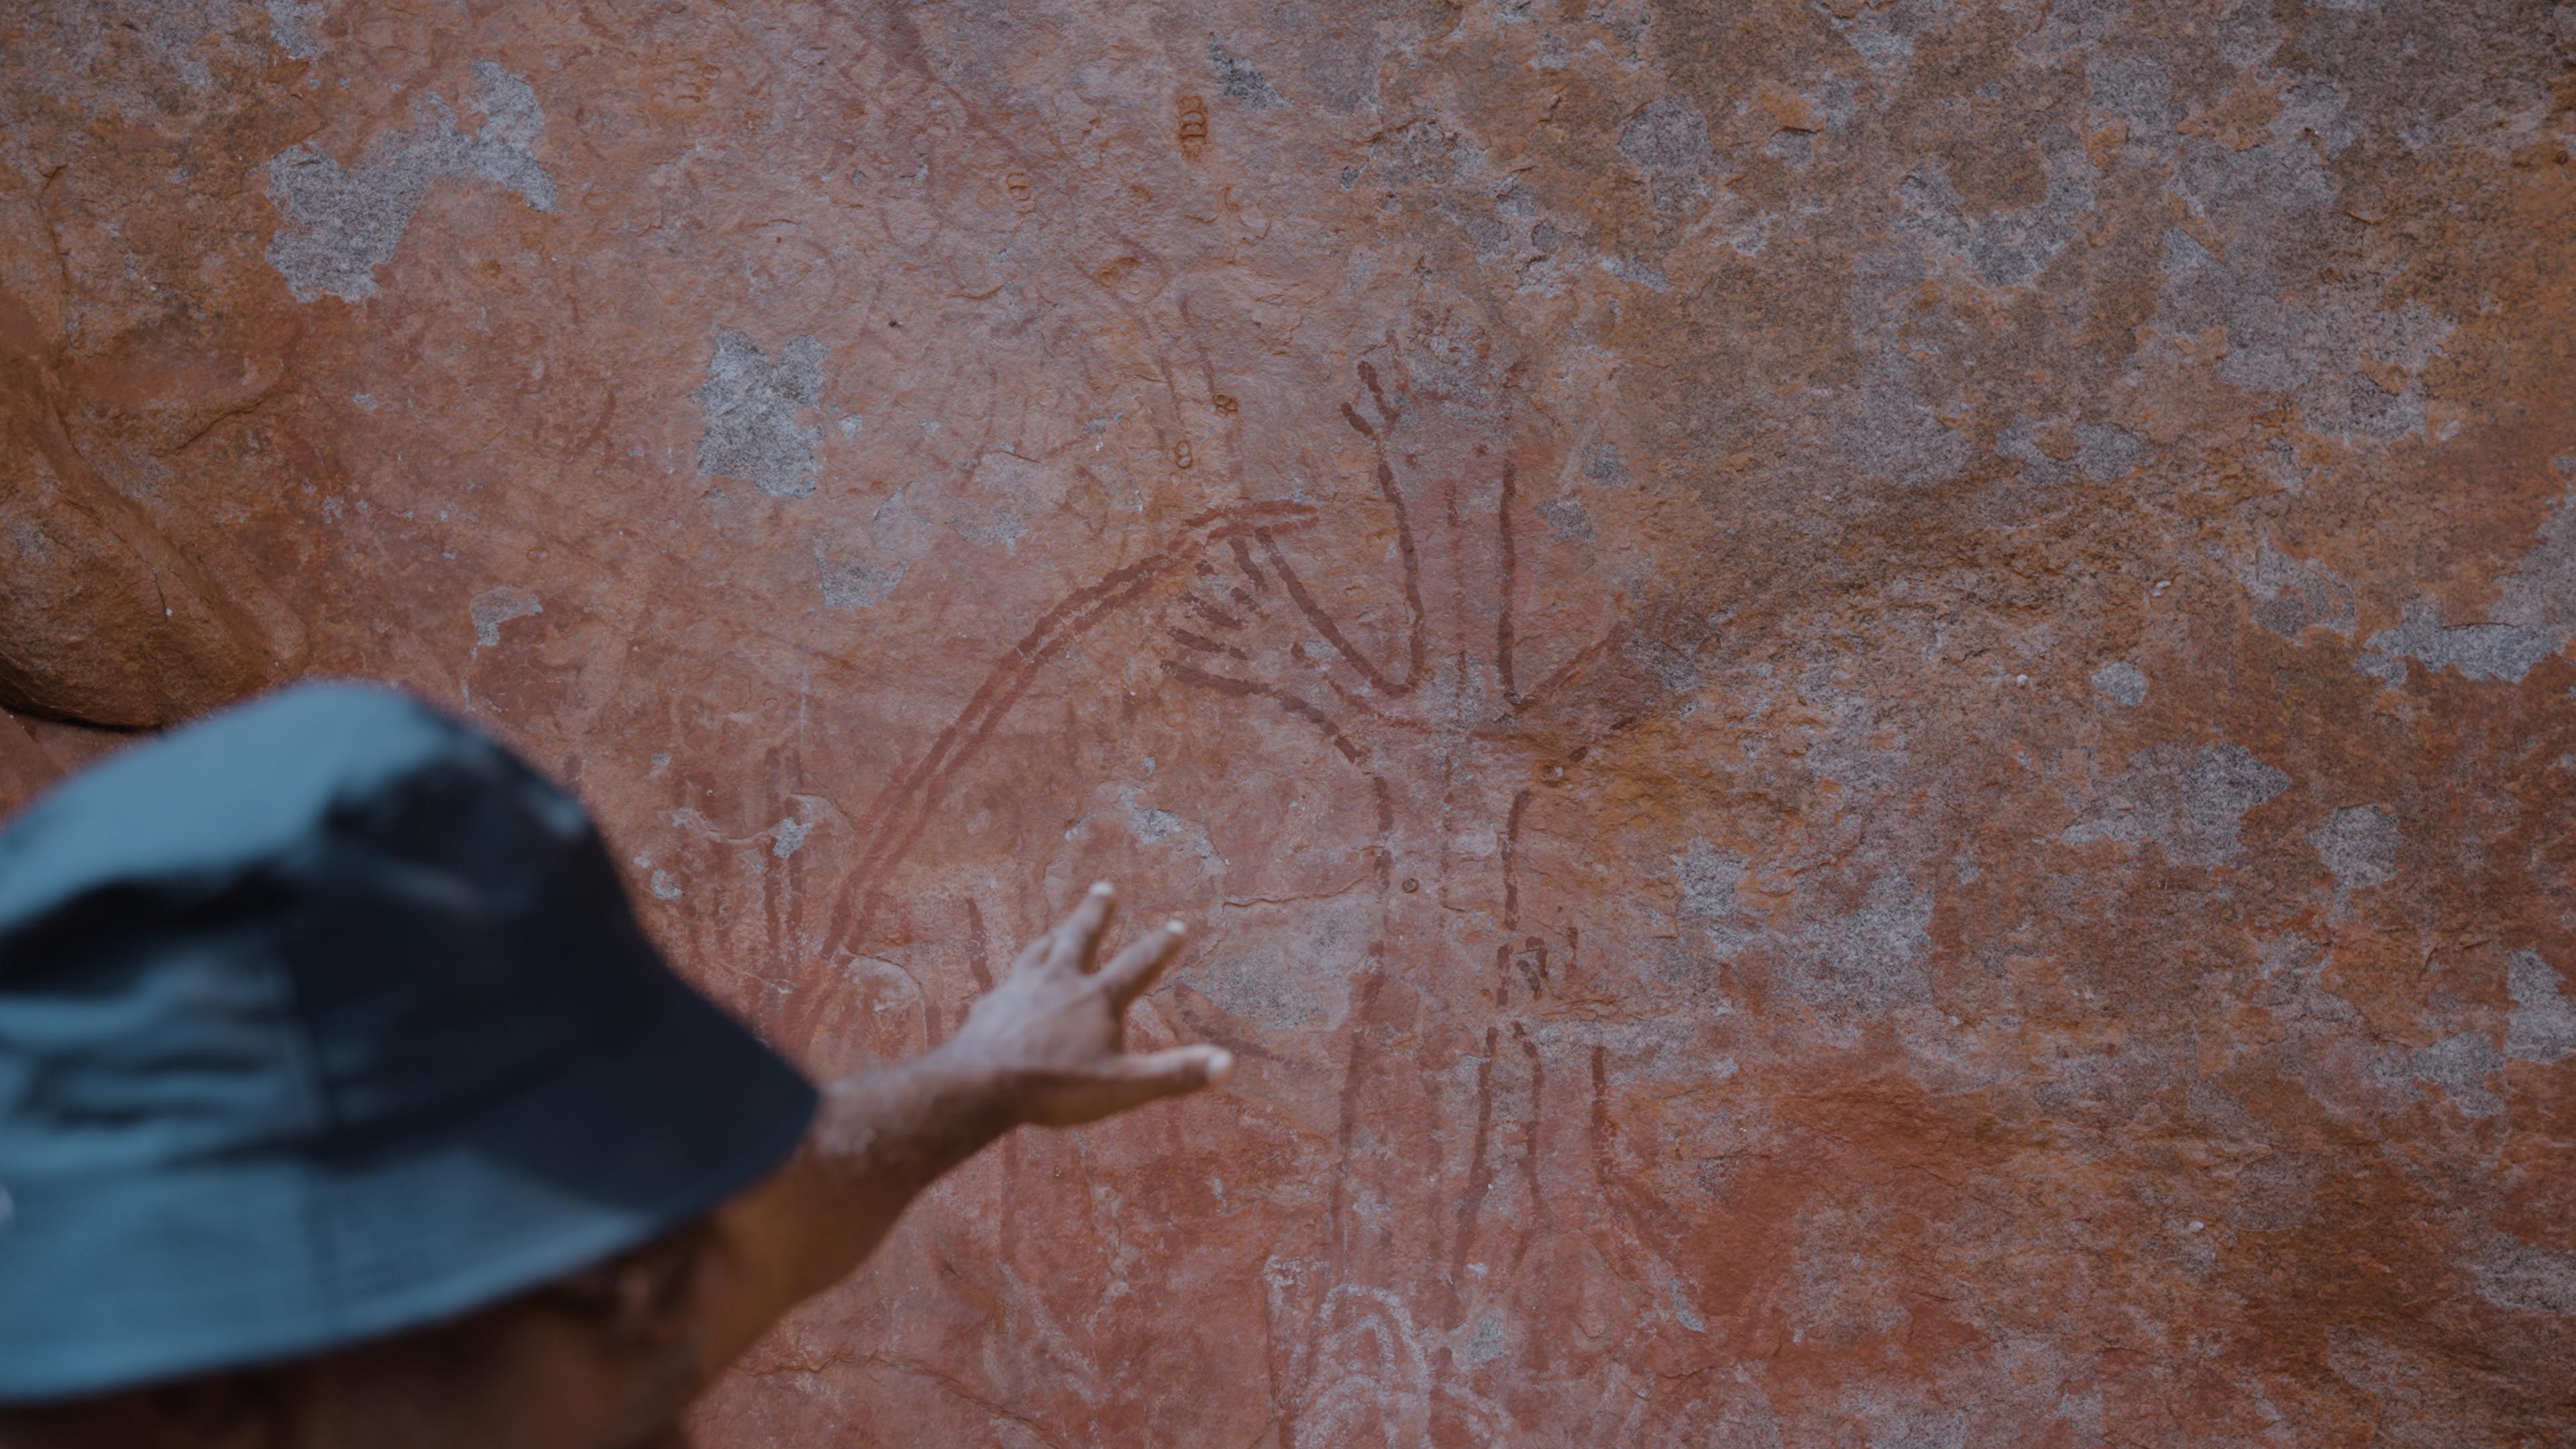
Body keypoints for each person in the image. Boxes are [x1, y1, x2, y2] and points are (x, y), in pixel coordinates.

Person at [0, 682, 1233, 1448]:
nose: (669, 1313)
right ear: (209, 1408)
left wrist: (993, 1071)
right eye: (590, 1284)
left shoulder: (549, 1348)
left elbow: (785, 1214)